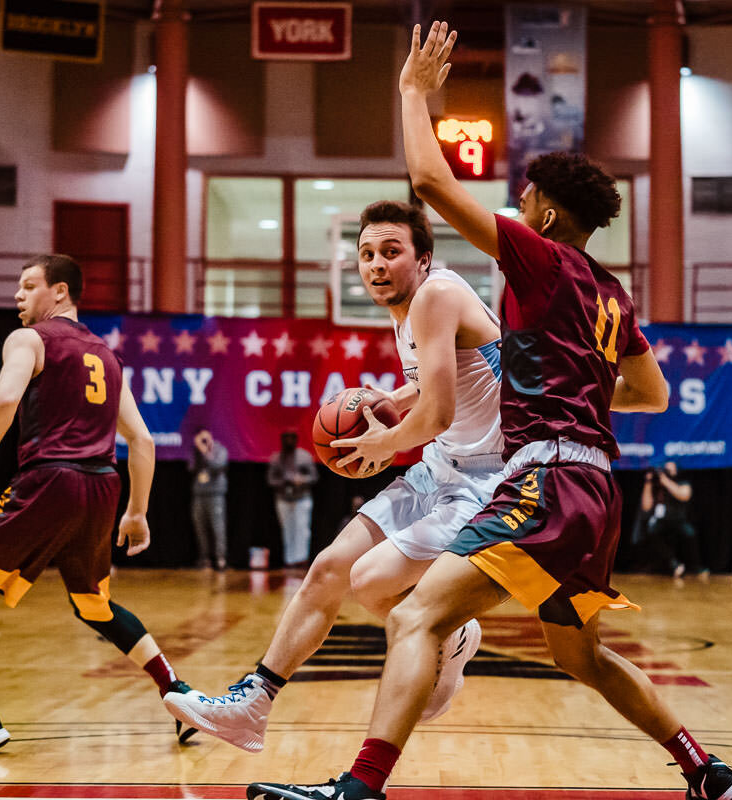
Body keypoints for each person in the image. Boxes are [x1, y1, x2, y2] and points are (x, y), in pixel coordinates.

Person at [241, 23, 732, 800]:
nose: (516, 205)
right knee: (580, 657)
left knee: (415, 619)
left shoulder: (543, 262)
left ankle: (359, 789)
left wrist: (415, 92)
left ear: (544, 215)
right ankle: (707, 772)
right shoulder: (611, 293)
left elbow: (434, 184)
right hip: (598, 491)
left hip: (541, 477)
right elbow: (646, 393)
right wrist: (557, 383)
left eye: (524, 199)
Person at [164, 199, 506, 753]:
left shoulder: (438, 295)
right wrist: (390, 400)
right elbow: (435, 389)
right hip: (442, 465)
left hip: (489, 480)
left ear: (423, 259)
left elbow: (439, 413)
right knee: (327, 568)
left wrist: (382, 441)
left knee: (370, 582)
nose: (376, 264)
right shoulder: (407, 311)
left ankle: (452, 634)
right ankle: (253, 704)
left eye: (391, 252)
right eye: (366, 253)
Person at [0, 254, 198, 754]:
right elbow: (144, 442)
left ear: (60, 292)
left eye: (29, 286)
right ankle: (178, 692)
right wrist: (136, 512)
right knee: (96, 605)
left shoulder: (29, 338)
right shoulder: (109, 357)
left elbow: (4, 399)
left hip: (52, 480)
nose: (18, 297)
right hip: (102, 487)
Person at [638, 461, 702, 578]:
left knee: (690, 533)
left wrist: (666, 481)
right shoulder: (656, 485)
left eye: (669, 470)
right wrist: (648, 482)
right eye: (664, 470)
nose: (666, 473)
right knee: (651, 532)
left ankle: (696, 567)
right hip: (661, 520)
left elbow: (685, 495)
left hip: (679, 519)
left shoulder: (682, 482)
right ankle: (673, 564)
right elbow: (646, 507)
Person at [267, 430, 318, 567]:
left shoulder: (304, 456)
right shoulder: (276, 458)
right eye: (286, 437)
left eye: (292, 437)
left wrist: (301, 480)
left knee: (302, 529)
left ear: (296, 439)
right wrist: (285, 480)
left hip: (302, 497)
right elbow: (271, 479)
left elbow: (314, 477)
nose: (289, 440)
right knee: (287, 530)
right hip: (283, 498)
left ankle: (301, 559)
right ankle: (289, 561)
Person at [190, 427, 229, 570]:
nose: (204, 441)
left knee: (218, 527)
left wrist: (206, 451)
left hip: (216, 494)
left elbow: (218, 466)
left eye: (206, 437)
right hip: (199, 494)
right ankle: (204, 558)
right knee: (200, 527)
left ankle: (220, 558)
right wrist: (198, 451)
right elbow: (191, 468)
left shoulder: (220, 450)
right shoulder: (195, 451)